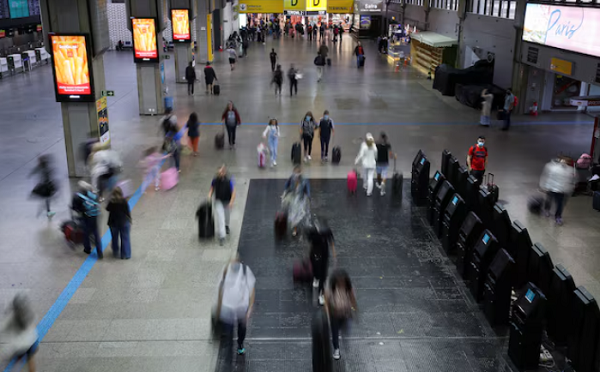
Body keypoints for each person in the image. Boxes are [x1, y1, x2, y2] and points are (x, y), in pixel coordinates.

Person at [215, 257, 255, 359]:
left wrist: (249, 309)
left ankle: (240, 345)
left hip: (242, 308)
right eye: (232, 262)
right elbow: (220, 290)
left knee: (242, 329)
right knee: (228, 331)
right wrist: (219, 309)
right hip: (228, 309)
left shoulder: (245, 271)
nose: (234, 264)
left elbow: (252, 290)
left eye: (236, 261)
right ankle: (229, 348)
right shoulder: (225, 272)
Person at [324, 269, 357, 361]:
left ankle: (343, 340)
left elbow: (353, 299)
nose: (341, 283)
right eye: (339, 281)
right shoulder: (331, 287)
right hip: (335, 313)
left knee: (346, 330)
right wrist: (327, 313)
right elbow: (326, 301)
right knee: (335, 332)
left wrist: (354, 311)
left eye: (342, 281)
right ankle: (336, 349)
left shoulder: (349, 288)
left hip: (346, 313)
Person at [0, 294, 38, 372]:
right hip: (32, 342)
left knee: (16, 363)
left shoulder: (11, 318)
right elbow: (33, 325)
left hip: (19, 346)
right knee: (30, 359)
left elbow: (3, 328)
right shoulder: (30, 314)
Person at [307, 218, 336, 306]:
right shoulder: (312, 231)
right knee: (317, 271)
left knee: (323, 275)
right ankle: (316, 277)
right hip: (315, 254)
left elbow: (331, 242)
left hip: (324, 254)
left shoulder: (327, 231)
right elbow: (309, 242)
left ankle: (321, 294)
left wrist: (334, 255)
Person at [539, 156, 575, 226]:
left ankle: (558, 216)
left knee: (559, 204)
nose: (566, 163)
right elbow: (546, 176)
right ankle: (547, 210)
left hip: (561, 190)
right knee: (549, 200)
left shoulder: (570, 170)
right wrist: (543, 185)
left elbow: (572, 180)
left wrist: (569, 189)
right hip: (552, 188)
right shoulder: (552, 167)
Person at [72, 181, 103, 259]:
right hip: (94, 216)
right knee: (96, 234)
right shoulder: (93, 195)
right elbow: (98, 201)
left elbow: (75, 207)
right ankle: (100, 252)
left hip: (86, 217)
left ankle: (87, 249)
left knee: (85, 233)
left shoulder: (78, 196)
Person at [208, 165, 236, 246]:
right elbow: (212, 189)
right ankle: (222, 236)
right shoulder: (215, 180)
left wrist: (231, 202)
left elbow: (233, 192)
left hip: (227, 200)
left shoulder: (229, 181)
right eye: (218, 172)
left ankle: (226, 226)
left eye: (221, 172)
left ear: (224, 172)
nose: (219, 174)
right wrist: (209, 196)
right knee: (221, 217)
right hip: (218, 201)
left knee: (227, 216)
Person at [282, 166, 311, 237]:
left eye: (297, 173)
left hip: (300, 198)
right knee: (294, 214)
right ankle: (295, 229)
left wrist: (308, 197)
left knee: (300, 213)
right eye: (295, 173)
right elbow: (286, 184)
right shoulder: (292, 178)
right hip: (293, 198)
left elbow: (307, 188)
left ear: (300, 173)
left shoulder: (304, 180)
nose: (295, 175)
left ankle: (302, 224)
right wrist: (285, 192)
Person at [106, 187, 131, 259]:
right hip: (124, 222)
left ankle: (115, 251)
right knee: (125, 238)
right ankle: (126, 255)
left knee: (114, 237)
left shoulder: (111, 201)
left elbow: (107, 209)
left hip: (113, 223)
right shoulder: (124, 201)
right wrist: (130, 220)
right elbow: (127, 211)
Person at [375, 132, 395, 196]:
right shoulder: (388, 145)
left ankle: (379, 183)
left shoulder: (377, 144)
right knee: (384, 175)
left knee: (378, 174)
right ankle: (383, 185)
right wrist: (394, 156)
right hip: (385, 162)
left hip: (378, 162)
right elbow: (391, 155)